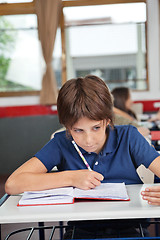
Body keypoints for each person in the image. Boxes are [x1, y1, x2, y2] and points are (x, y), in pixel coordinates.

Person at [5, 75, 160, 239]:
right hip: (81, 231)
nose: (89, 140)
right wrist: (71, 178)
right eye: (78, 130)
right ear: (67, 127)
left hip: (130, 228)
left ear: (107, 120)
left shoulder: (129, 137)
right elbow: (12, 184)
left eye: (96, 128)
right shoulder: (61, 144)